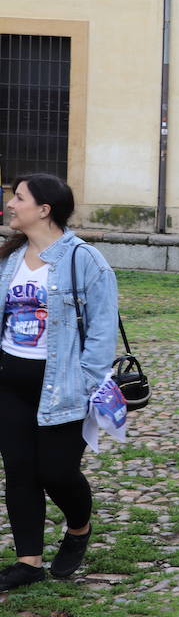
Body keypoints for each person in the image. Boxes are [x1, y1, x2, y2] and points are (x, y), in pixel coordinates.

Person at [0, 174, 118, 591]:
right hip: (10, 384)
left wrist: (86, 386)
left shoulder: (84, 260)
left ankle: (79, 529)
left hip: (65, 387)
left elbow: (102, 331)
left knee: (56, 471)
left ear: (44, 209)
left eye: (18, 198)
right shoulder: (9, 259)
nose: (10, 204)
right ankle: (28, 561)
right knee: (19, 471)